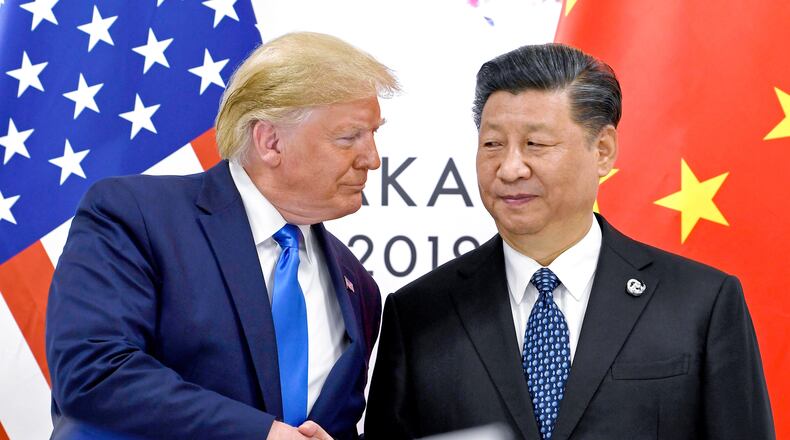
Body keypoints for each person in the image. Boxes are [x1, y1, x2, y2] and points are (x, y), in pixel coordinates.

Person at [365, 43, 774, 440]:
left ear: (603, 149)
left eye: (535, 144)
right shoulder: (419, 313)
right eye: (492, 144)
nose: (509, 169)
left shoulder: (701, 302)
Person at [46, 32, 398, 440]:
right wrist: (260, 434)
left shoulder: (360, 289)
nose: (372, 159)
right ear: (270, 141)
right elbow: (93, 370)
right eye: (349, 137)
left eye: (374, 135)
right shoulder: (135, 217)